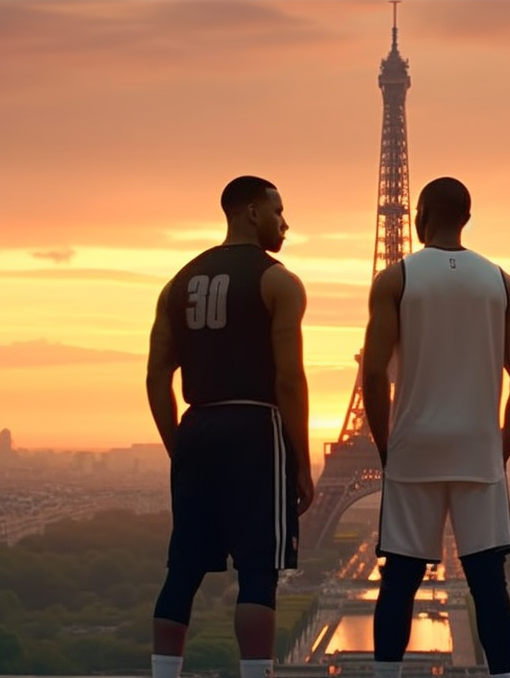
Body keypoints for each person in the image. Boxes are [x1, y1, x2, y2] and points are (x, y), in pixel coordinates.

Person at [361, 176, 510, 678]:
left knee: (400, 578)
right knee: (488, 580)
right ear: (467, 217)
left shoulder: (395, 280)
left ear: (419, 214)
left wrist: (385, 445)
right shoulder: (504, 284)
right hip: (477, 449)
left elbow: (373, 374)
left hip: (414, 445)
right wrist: (499, 450)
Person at [145, 175, 316, 678]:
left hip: (198, 424)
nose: (286, 223)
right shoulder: (278, 282)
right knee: (258, 569)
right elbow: (289, 380)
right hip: (255, 426)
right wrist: (301, 461)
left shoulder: (178, 284)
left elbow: (157, 376)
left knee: (183, 569)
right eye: (278, 211)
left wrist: (177, 443)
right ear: (251, 212)